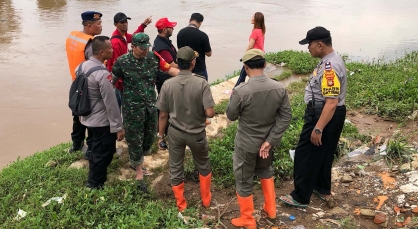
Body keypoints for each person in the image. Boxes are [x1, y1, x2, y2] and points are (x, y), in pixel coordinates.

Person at [279, 26, 347, 209]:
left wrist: (318, 128)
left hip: (323, 114)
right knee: (324, 153)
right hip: (330, 114)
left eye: (309, 44)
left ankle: (300, 197)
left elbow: (331, 102)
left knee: (305, 154)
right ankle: (321, 188)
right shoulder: (331, 59)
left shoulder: (330, 67)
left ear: (320, 44)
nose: (308, 48)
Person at [226, 49, 292, 228]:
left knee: (243, 179)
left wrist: (232, 98)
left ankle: (248, 220)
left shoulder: (241, 91)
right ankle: (271, 210)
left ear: (245, 67)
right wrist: (270, 141)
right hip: (266, 145)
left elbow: (231, 116)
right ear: (264, 65)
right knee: (265, 171)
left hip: (246, 145)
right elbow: (285, 117)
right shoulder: (279, 88)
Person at [111, 33, 179, 193]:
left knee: (148, 136)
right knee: (134, 136)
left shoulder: (153, 58)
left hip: (150, 105)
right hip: (132, 108)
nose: (145, 51)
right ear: (132, 46)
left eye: (146, 47)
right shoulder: (122, 62)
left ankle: (138, 161)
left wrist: (188, 76)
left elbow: (169, 70)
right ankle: (138, 169)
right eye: (142, 48)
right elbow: (112, 82)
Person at [156, 47, 215, 212]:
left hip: (175, 133)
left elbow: (162, 115)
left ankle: (181, 205)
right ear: (193, 63)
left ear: (178, 64)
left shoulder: (167, 85)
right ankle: (206, 200)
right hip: (197, 132)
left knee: (176, 167)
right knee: (203, 164)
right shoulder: (201, 82)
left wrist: (161, 136)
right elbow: (210, 112)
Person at [78, 36, 125, 189]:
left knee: (95, 147)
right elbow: (111, 104)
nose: (113, 50)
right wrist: (118, 127)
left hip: (86, 117)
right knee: (102, 153)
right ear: (102, 52)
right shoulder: (103, 75)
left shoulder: (81, 66)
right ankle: (94, 184)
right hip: (101, 122)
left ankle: (96, 173)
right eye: (110, 48)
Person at [65, 11, 103, 157]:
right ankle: (91, 150)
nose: (101, 26)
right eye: (98, 24)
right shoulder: (91, 44)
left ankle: (76, 144)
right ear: (89, 26)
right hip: (88, 85)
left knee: (77, 114)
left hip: (75, 83)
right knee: (92, 115)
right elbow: (94, 66)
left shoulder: (73, 36)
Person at [106, 12, 152, 107]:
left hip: (123, 80)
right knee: (122, 107)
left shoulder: (124, 36)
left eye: (126, 21)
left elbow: (134, 37)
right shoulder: (116, 42)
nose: (125, 24)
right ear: (115, 24)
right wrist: (124, 84)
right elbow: (117, 65)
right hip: (120, 83)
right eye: (121, 22)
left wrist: (143, 25)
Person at [234, 12, 266, 87]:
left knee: (243, 74)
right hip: (260, 55)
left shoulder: (255, 32)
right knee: (257, 74)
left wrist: (245, 56)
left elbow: (250, 46)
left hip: (252, 55)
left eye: (253, 17)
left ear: (256, 20)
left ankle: (235, 90)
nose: (251, 18)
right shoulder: (262, 31)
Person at [176, 13, 212, 81]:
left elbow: (180, 50)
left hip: (184, 69)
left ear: (189, 20)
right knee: (201, 89)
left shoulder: (180, 33)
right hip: (199, 69)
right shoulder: (202, 35)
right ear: (200, 22)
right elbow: (209, 54)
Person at [152, 17, 178, 94]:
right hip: (166, 82)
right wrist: (187, 65)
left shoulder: (163, 41)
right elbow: (172, 65)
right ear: (164, 30)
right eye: (171, 27)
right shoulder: (161, 47)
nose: (173, 28)